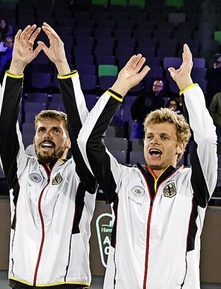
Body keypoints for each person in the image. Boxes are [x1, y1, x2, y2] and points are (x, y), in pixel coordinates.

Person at [77, 45, 217, 289]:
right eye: (150, 136)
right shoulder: (122, 180)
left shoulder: (195, 185)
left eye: (164, 137)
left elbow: (205, 138)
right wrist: (119, 88)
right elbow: (87, 141)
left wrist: (187, 87)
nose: (154, 141)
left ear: (180, 146)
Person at [0, 23, 97, 289]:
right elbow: (4, 126)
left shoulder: (82, 173)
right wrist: (16, 67)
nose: (47, 135)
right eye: (41, 130)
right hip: (21, 280)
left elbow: (84, 129)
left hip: (68, 283)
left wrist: (62, 65)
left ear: (69, 139)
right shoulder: (21, 169)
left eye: (56, 130)